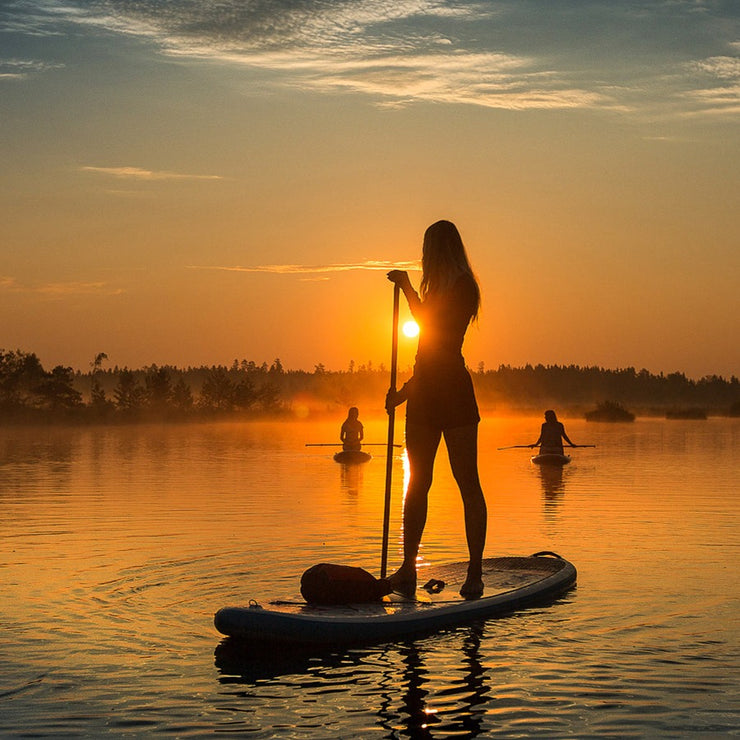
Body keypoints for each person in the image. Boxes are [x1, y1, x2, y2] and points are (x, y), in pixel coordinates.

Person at [385, 220, 487, 599]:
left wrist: (409, 289)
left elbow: (437, 336)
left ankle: (475, 572)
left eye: (427, 248)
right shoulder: (438, 289)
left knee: (467, 483)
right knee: (417, 483)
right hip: (426, 394)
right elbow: (426, 355)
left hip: (454, 395)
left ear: (440, 250)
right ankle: (408, 568)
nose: (424, 255)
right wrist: (404, 393)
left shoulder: (463, 288)